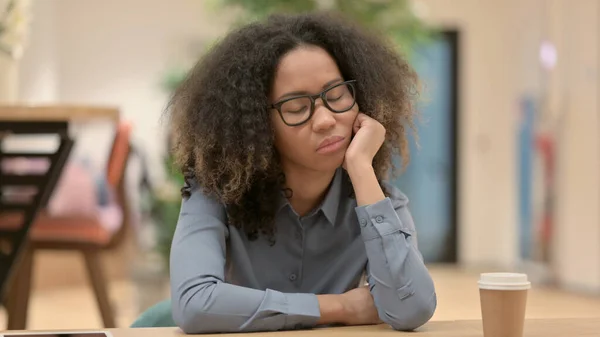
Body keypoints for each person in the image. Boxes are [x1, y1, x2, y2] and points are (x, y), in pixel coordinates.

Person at [167, 11, 437, 334]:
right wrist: (338, 307)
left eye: (336, 96)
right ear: (258, 127)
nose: (325, 120)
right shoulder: (215, 195)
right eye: (297, 108)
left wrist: (362, 169)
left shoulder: (377, 202)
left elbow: (412, 308)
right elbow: (195, 305)